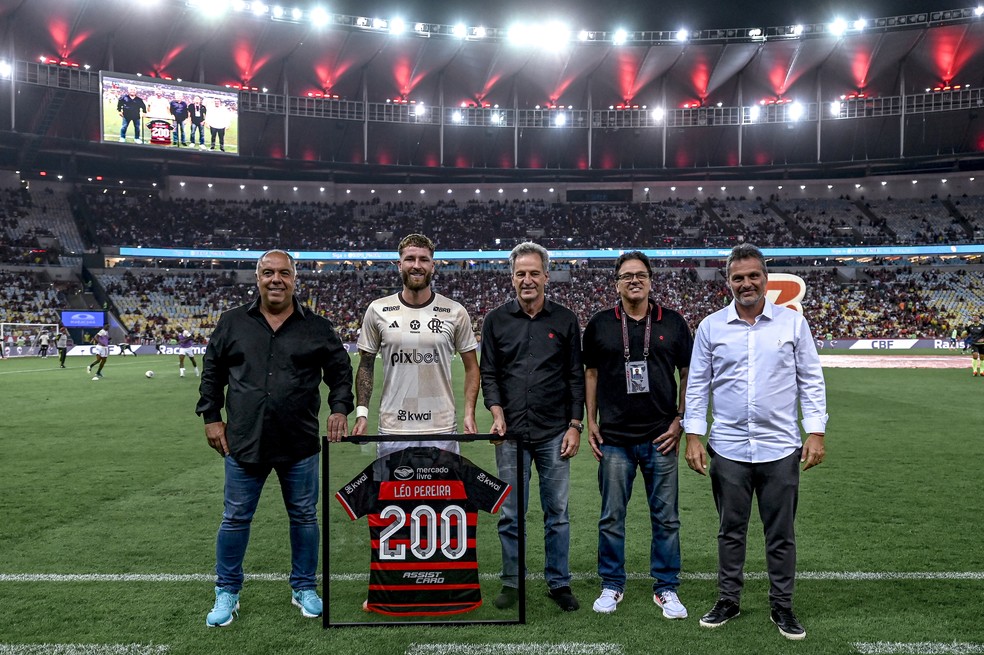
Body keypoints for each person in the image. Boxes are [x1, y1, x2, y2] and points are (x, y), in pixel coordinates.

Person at [196, 249, 353, 627]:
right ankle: (227, 590)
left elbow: (341, 371)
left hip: (298, 442)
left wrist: (339, 408)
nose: (276, 280)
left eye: (284, 273)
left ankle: (303, 587)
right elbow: (212, 370)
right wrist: (212, 417)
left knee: (303, 517)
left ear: (295, 278)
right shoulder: (233, 322)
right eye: (268, 272)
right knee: (235, 518)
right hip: (243, 441)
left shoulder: (316, 326)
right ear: (257, 278)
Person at [683, 243, 828, 641]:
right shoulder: (712, 326)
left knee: (780, 533)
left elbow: (811, 380)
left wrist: (815, 431)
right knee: (730, 530)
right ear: (727, 281)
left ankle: (782, 605)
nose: (746, 283)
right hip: (727, 447)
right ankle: (728, 599)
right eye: (738, 277)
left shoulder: (792, 323)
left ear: (766, 278)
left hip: (781, 448)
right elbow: (697, 385)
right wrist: (693, 435)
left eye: (753, 276)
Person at [582, 251, 693, 618]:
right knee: (612, 516)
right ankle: (612, 584)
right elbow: (591, 374)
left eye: (640, 275)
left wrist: (681, 419)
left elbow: (688, 373)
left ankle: (666, 587)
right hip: (614, 438)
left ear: (650, 280)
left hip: (661, 437)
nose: (634, 280)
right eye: (627, 275)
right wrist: (591, 420)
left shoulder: (673, 322)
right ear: (616, 282)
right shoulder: (599, 324)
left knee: (666, 518)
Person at [480, 241, 585, 613]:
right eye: (521, 273)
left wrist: (575, 425)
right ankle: (512, 581)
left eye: (534, 272)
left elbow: (575, 377)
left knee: (557, 513)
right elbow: (489, 373)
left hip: (555, 430)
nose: (528, 279)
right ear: (512, 278)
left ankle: (559, 583)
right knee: (511, 514)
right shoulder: (495, 320)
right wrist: (495, 411)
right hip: (508, 433)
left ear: (546, 276)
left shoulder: (565, 319)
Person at [352, 233, 479, 457]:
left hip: (442, 429)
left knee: (444, 493)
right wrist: (362, 414)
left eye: (424, 259)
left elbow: (472, 367)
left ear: (433, 266)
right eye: (410, 259)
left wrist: (469, 413)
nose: (417, 265)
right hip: (394, 429)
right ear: (399, 265)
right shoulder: (378, 309)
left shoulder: (455, 311)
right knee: (393, 492)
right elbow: (365, 365)